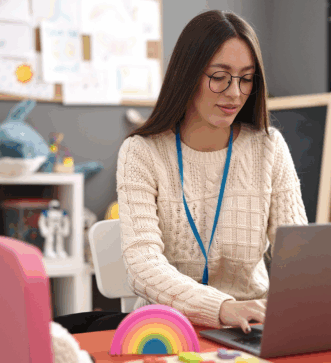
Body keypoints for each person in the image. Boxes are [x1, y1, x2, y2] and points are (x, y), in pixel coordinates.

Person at [55, 9, 308, 335]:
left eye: (246, 78)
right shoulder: (142, 152)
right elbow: (143, 265)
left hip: (253, 327)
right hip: (166, 330)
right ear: (188, 74)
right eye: (219, 77)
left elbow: (298, 255)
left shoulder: (269, 147)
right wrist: (222, 308)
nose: (235, 93)